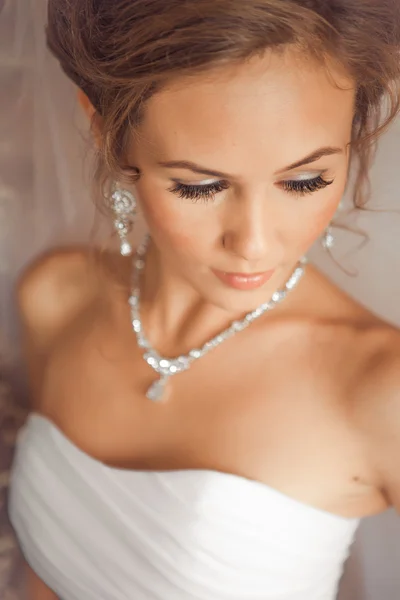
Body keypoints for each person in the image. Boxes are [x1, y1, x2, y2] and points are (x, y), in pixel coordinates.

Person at [7, 0, 400, 598]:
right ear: (105, 132)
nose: (255, 242)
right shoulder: (54, 297)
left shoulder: (379, 388)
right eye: (200, 186)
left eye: (304, 181)